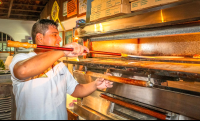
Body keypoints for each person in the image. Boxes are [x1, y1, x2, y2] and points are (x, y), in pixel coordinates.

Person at [9, 19, 113, 120]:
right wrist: (63, 51)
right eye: (54, 35)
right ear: (40, 37)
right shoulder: (21, 58)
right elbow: (22, 71)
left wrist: (95, 84)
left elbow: (75, 89)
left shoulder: (60, 66)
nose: (59, 39)